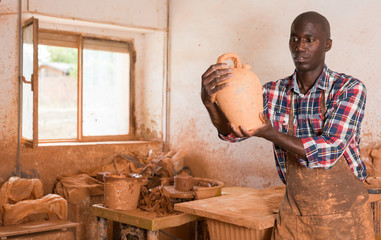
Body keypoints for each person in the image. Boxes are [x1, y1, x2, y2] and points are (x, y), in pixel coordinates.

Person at [201, 11, 374, 239]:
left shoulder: (348, 88)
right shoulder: (273, 92)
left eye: (309, 40)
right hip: (294, 218)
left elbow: (328, 152)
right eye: (294, 39)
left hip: (344, 219)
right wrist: (209, 103)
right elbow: (232, 134)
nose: (300, 47)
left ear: (327, 45)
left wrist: (271, 134)